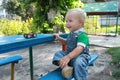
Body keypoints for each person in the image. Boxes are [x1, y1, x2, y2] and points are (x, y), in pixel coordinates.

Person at [52, 8, 91, 80]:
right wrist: (60, 39)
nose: (67, 23)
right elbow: (67, 42)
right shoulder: (72, 33)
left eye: (70, 21)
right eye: (66, 21)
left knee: (78, 63)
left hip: (81, 56)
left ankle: (80, 78)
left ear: (80, 22)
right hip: (69, 55)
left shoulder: (83, 35)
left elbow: (79, 48)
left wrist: (68, 57)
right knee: (58, 54)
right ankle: (66, 68)